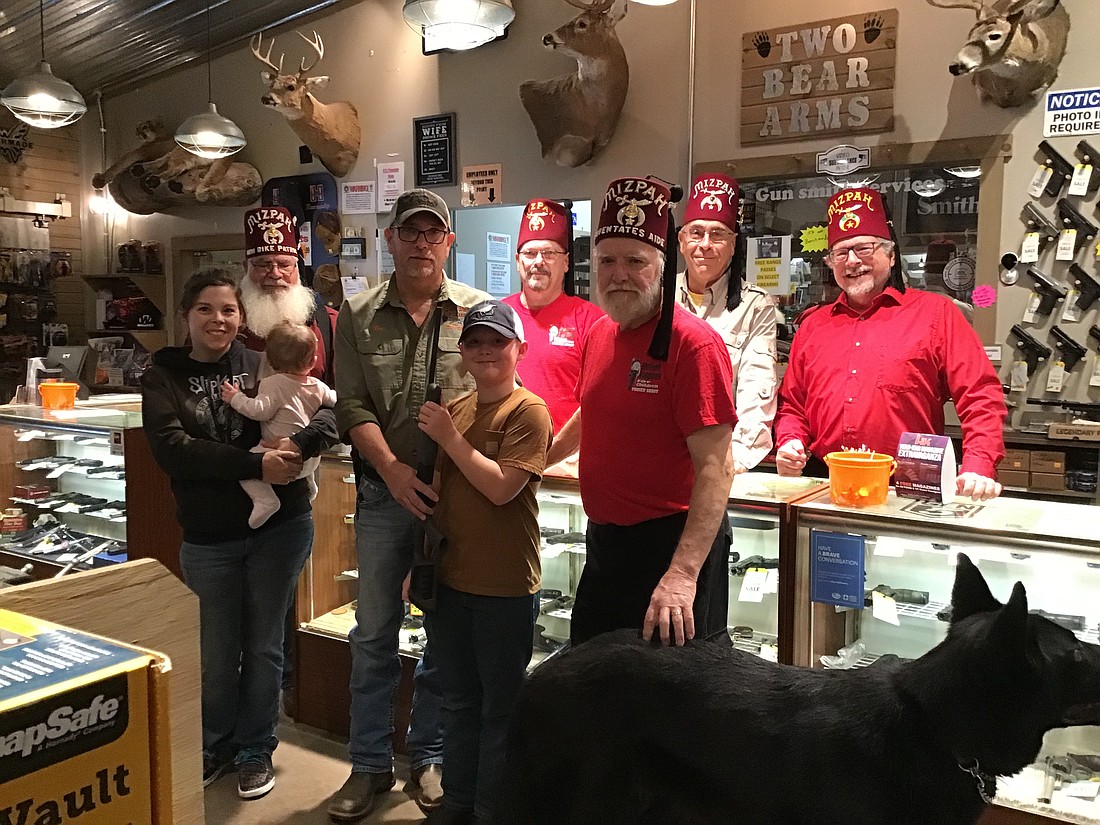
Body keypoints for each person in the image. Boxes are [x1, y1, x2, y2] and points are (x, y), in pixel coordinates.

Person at [328, 188, 492, 822]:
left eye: (434, 233)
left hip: (458, 505)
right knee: (372, 635)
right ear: (390, 239)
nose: (422, 243)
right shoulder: (358, 313)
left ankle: (427, 757)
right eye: (410, 232)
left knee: (445, 637)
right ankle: (367, 768)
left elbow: (500, 391)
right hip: (384, 496)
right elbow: (351, 406)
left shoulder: (479, 312)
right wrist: (394, 472)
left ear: (448, 243)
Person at [141, 268, 312, 801]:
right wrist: (253, 465)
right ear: (185, 316)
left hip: (280, 529)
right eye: (207, 310)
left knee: (264, 647)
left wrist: (301, 449)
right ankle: (215, 742)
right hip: (209, 535)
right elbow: (173, 450)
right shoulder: (161, 375)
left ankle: (255, 746)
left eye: (229, 310)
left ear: (243, 317)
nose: (219, 319)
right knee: (216, 650)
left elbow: (322, 408)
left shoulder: (261, 361)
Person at [547, 176, 737, 648]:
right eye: (607, 261)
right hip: (606, 544)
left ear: (663, 264)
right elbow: (592, 412)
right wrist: (541, 459)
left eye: (636, 261)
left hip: (670, 549)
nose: (619, 275)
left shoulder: (694, 346)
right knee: (594, 682)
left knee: (669, 703)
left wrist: (682, 574)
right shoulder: (600, 334)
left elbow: (717, 470)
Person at [774, 187, 1006, 501]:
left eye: (864, 248)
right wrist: (790, 440)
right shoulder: (813, 325)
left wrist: (979, 463)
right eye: (841, 253)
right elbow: (793, 404)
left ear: (891, 255)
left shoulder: (937, 314)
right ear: (830, 263)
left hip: (911, 484)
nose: (852, 261)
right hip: (824, 484)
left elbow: (980, 396)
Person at [417, 299, 552, 825]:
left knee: (500, 709)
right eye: (474, 342)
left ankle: (492, 811)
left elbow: (501, 488)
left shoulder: (529, 411)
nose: (485, 350)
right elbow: (438, 500)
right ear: (463, 352)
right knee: (456, 702)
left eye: (496, 341)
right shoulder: (457, 410)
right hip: (451, 581)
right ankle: (458, 803)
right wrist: (419, 564)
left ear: (518, 348)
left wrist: (448, 440)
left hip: (505, 588)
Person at [237, 204, 339, 716]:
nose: (274, 274)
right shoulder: (229, 318)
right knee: (247, 601)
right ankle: (252, 696)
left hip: (300, 478)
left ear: (298, 261)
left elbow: (338, 400)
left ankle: (291, 686)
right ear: (247, 267)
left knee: (296, 588)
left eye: (283, 263)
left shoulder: (322, 316)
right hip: (238, 476)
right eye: (262, 264)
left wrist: (299, 448)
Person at [675, 173, 777, 474]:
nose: (705, 244)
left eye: (718, 235)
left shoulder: (755, 306)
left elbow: (758, 386)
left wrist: (732, 463)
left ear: (733, 245)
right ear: (681, 241)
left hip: (723, 461)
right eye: (696, 233)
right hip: (658, 462)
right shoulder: (657, 300)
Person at [502, 198, 604, 437]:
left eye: (549, 253)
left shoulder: (592, 321)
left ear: (566, 262)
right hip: (504, 457)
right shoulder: (498, 316)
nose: (538, 262)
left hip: (566, 464)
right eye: (530, 253)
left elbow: (600, 401)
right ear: (518, 262)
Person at [221, 321, 337, 528]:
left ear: (271, 361)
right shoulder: (318, 386)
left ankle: (266, 500)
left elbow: (259, 410)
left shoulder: (272, 383)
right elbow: (336, 401)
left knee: (247, 469)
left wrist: (235, 398)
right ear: (313, 360)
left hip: (278, 456)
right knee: (305, 466)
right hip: (309, 457)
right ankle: (310, 484)